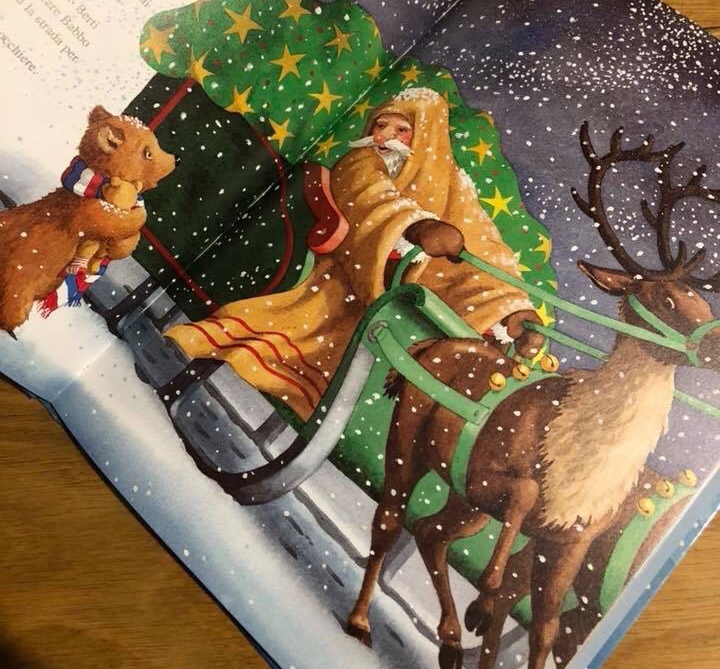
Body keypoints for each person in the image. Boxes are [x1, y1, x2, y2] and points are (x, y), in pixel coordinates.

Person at [165, 88, 541, 420]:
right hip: (349, 274)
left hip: (412, 292)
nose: (385, 136)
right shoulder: (363, 161)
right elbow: (368, 196)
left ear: (427, 138)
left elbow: (485, 244)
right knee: (299, 330)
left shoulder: (451, 184)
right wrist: (416, 226)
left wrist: (512, 306)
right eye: (380, 125)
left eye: (401, 130)